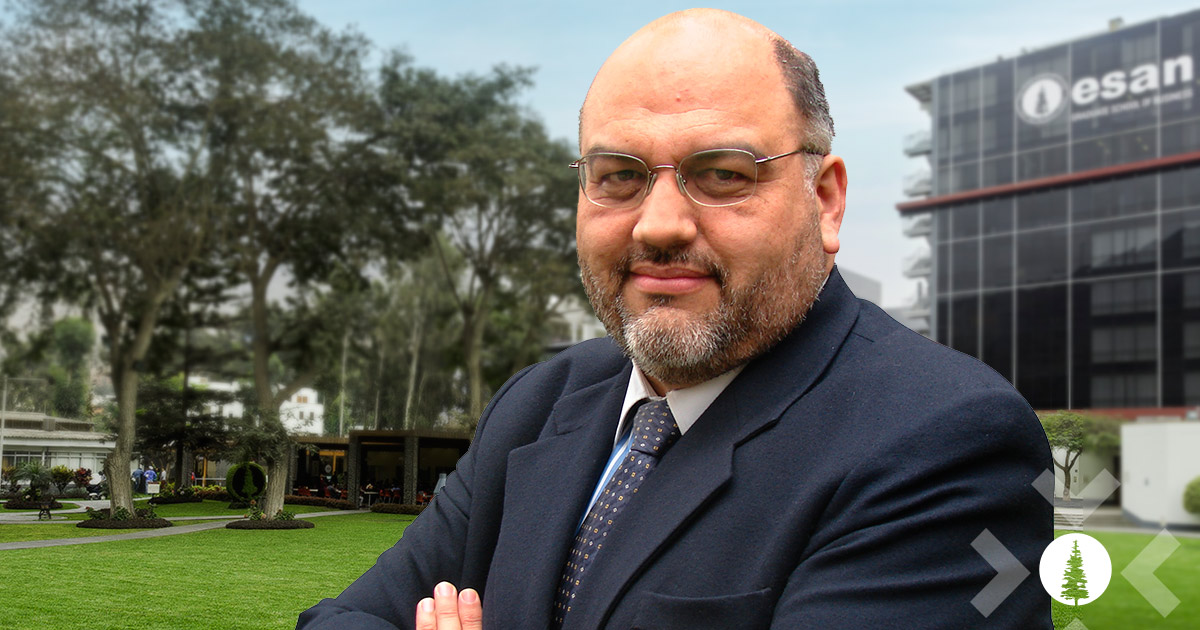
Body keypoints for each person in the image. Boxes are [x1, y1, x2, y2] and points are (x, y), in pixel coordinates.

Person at [297, 9, 1051, 630]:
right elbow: (341, 618)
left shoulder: (943, 441)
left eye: (722, 174)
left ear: (824, 200)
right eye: (618, 176)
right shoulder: (538, 404)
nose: (658, 224)